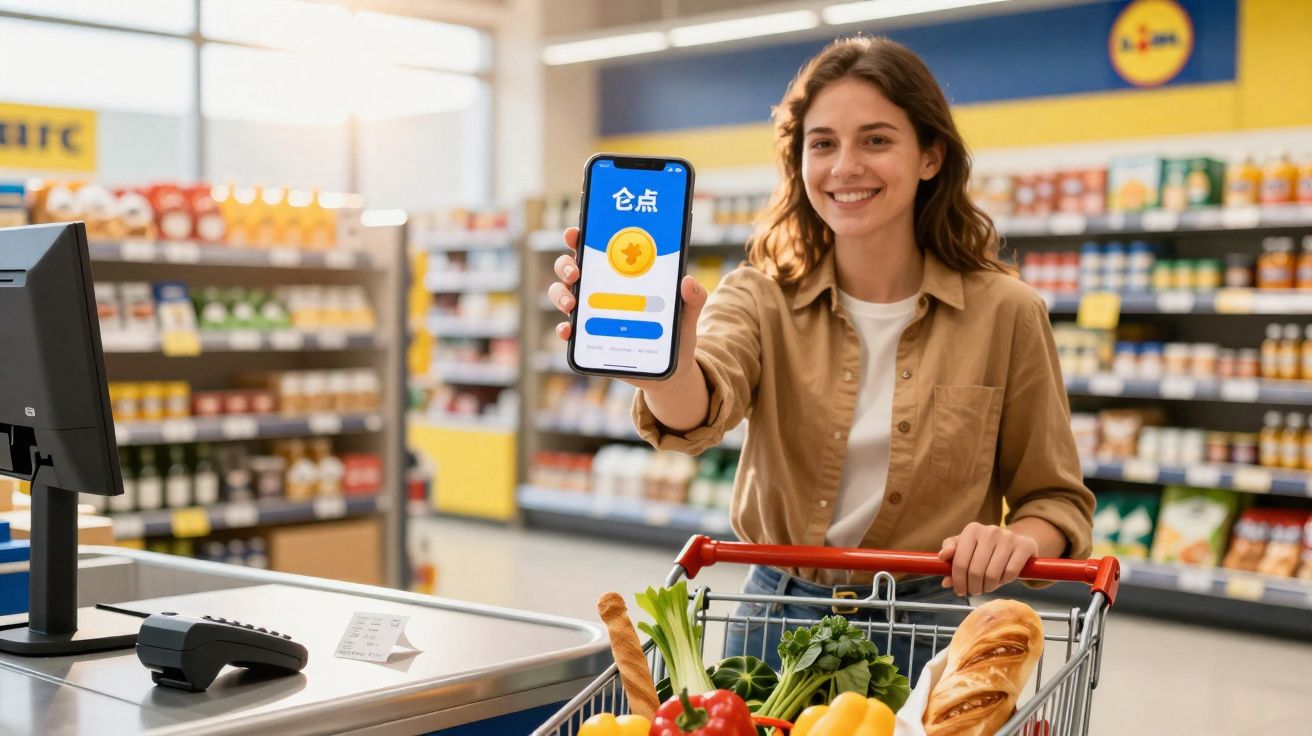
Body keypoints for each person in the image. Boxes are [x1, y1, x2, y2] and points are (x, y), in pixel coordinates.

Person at [547, 36, 1094, 679]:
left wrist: (1016, 540)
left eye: (876, 140)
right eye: (823, 143)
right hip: (773, 621)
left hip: (931, 630)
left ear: (931, 156)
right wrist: (667, 369)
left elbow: (1056, 499)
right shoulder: (758, 296)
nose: (845, 167)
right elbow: (699, 407)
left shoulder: (1006, 312)